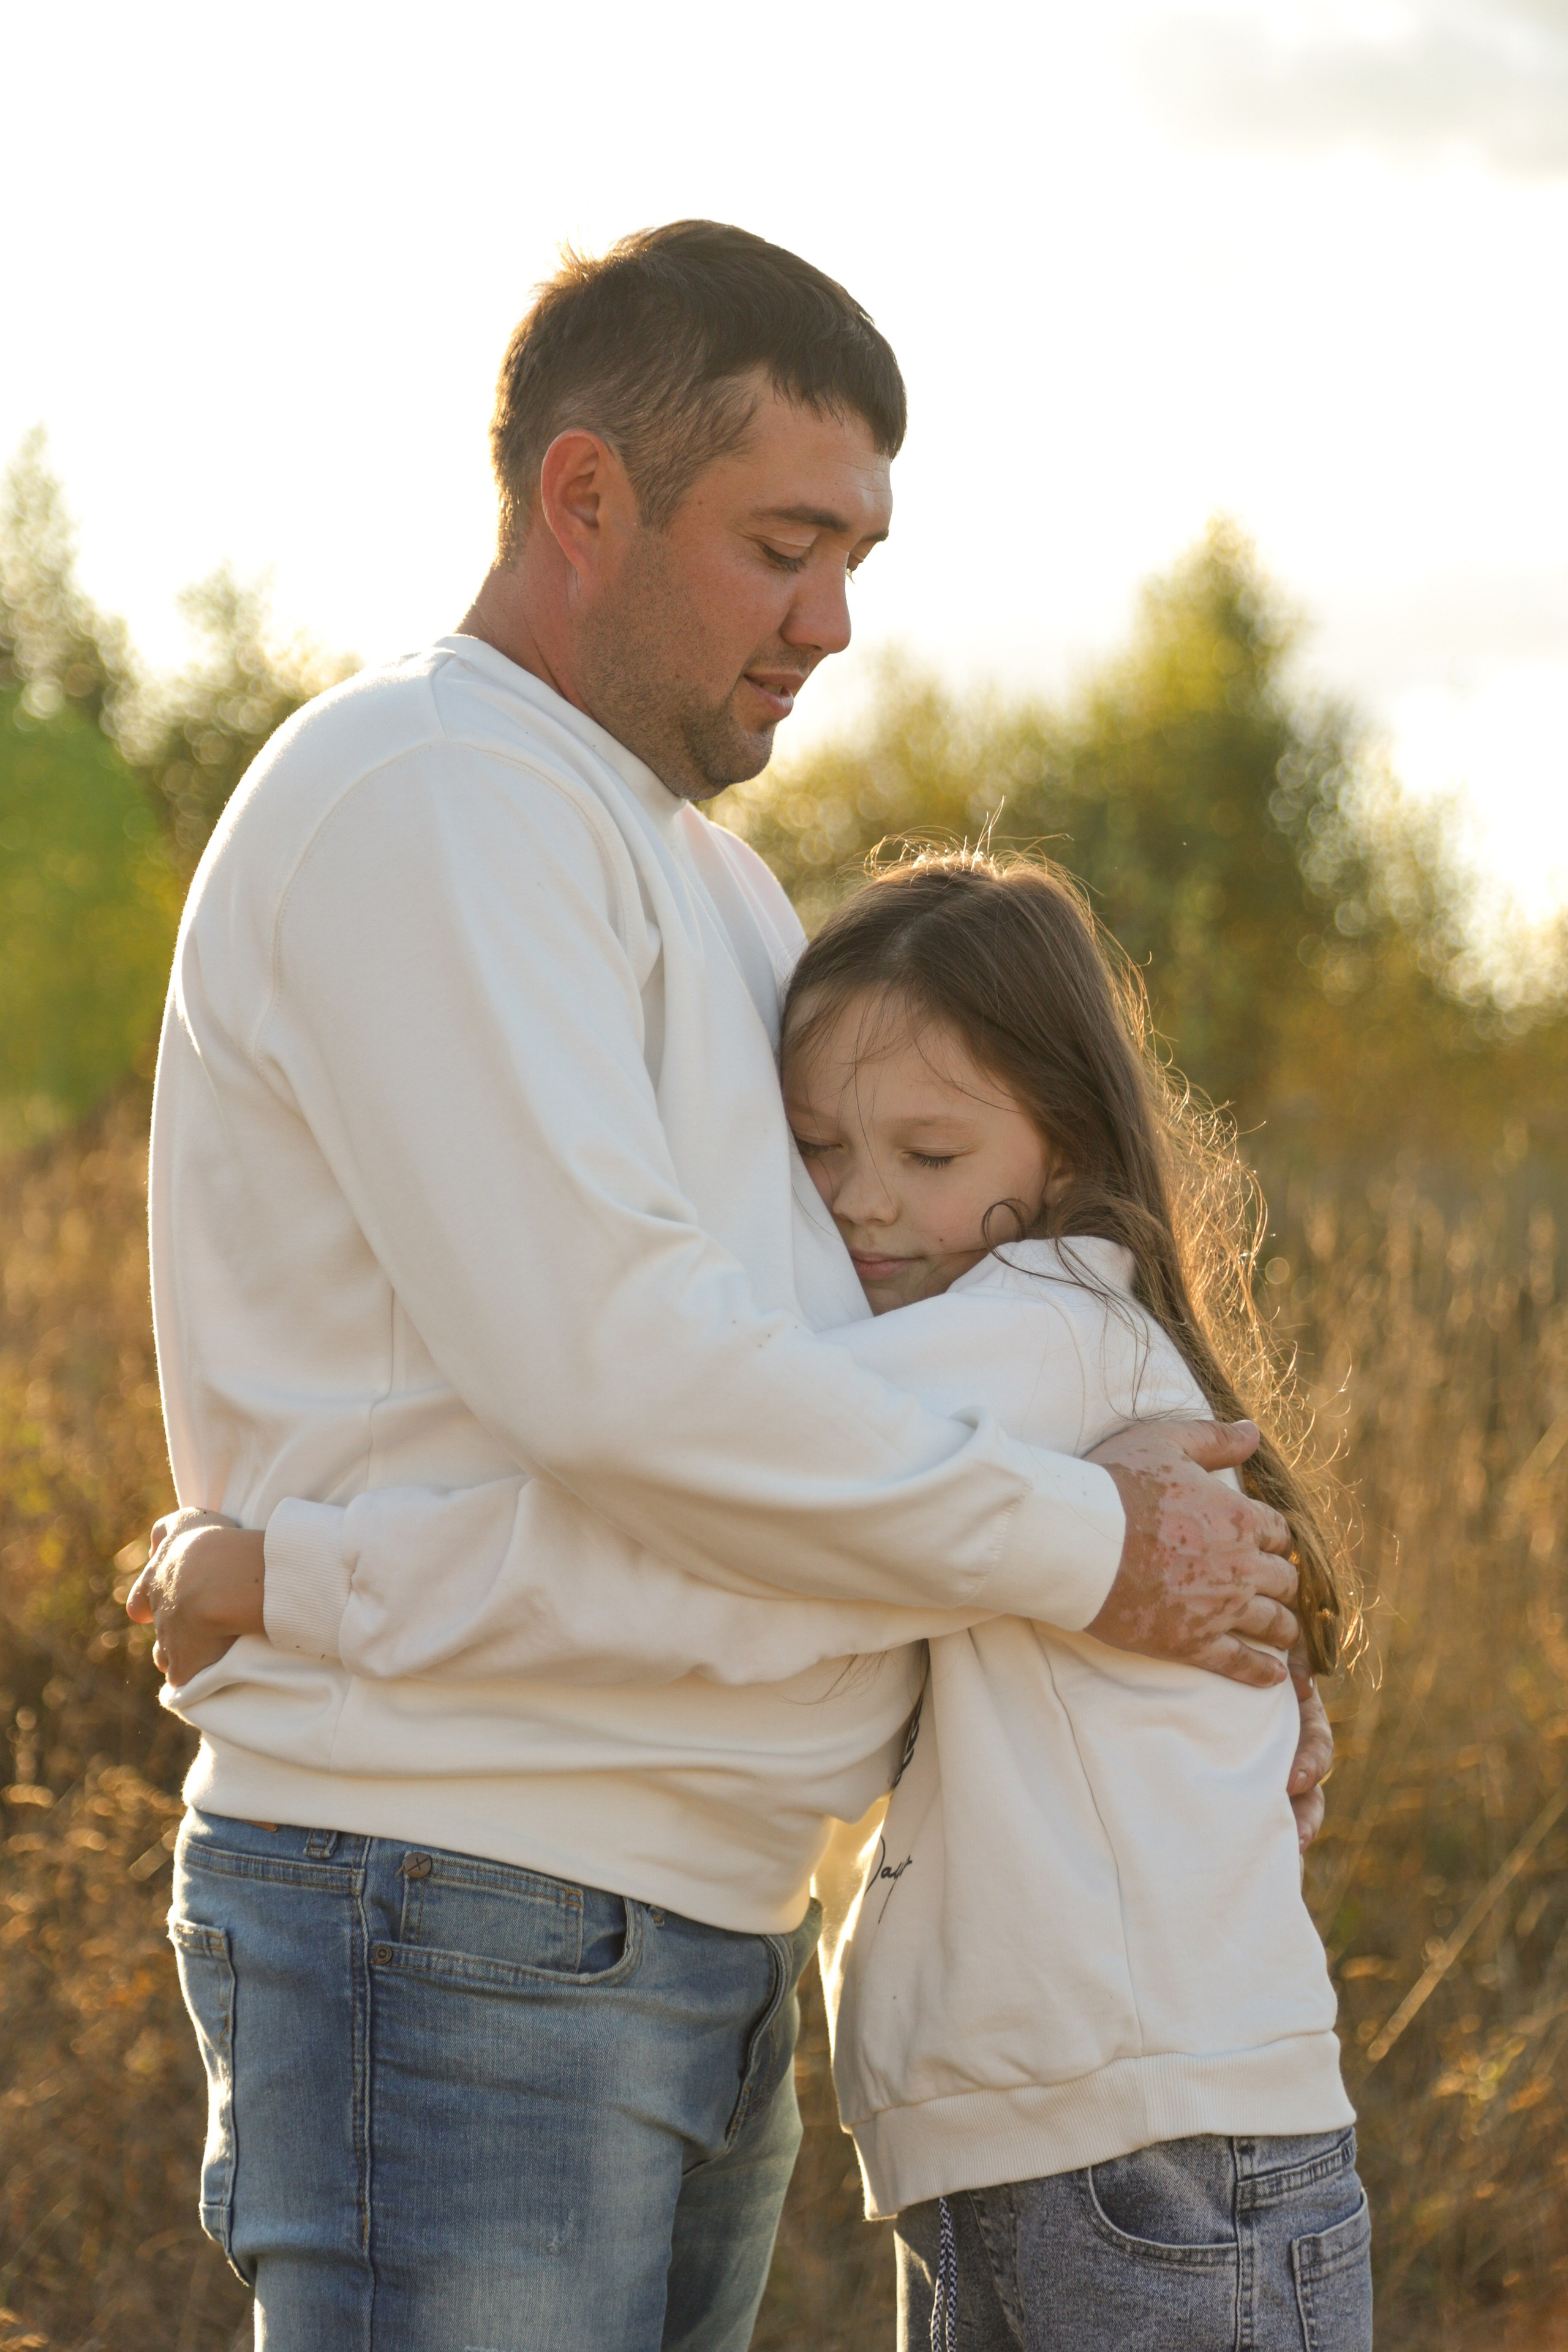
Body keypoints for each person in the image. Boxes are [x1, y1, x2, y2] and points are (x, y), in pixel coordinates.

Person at [129, 221, 1327, 2352]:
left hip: (697, 1921)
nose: (833, 623)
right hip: (459, 1892)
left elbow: (845, 1402)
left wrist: (1157, 1490)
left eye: (858, 553)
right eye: (784, 545)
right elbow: (634, 1385)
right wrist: (1096, 1551)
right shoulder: (436, 791)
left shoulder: (708, 874)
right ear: (584, 499)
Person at [782, 852, 1371, 2352]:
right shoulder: (1024, 1341)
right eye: (813, 1149)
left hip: (1139, 2154)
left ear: (1060, 1144)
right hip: (1076, 2139)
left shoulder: (1036, 1319)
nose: (859, 1203)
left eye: (926, 1155)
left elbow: (730, 1457)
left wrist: (313, 1572)